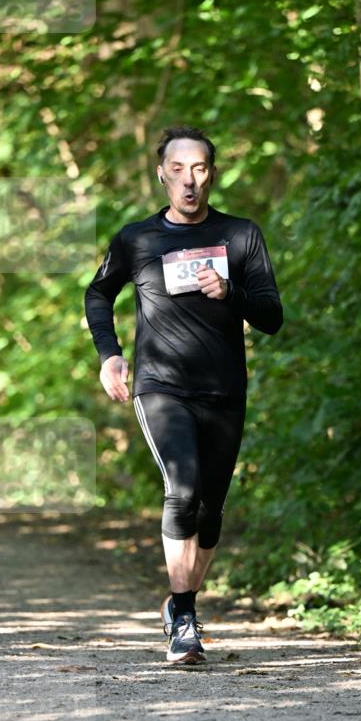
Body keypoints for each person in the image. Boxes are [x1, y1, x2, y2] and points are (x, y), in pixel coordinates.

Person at [84, 125, 283, 665]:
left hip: (224, 389)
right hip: (160, 385)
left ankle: (181, 608)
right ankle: (185, 618)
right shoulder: (137, 239)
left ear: (211, 174)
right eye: (178, 170)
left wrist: (233, 293)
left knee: (211, 512)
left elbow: (272, 316)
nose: (188, 181)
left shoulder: (241, 236)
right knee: (184, 488)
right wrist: (110, 354)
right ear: (162, 175)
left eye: (198, 169)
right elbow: (98, 292)